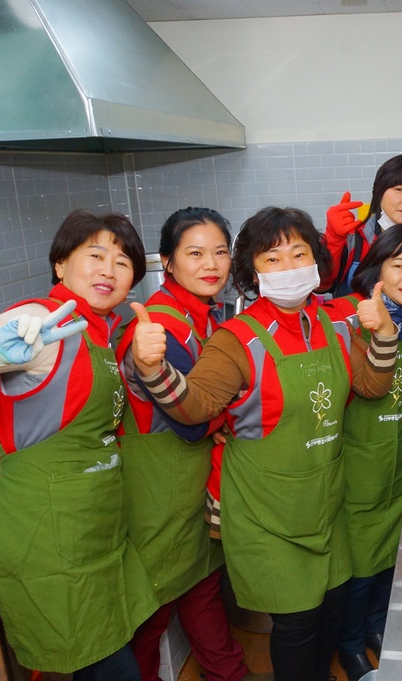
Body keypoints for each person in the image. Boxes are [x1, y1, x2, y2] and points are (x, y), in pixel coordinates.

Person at [129, 207, 399, 681]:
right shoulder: (236, 339)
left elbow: (373, 385)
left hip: (326, 504)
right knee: (298, 621)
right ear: (252, 272)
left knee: (333, 607)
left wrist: (385, 333)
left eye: (299, 254)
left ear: (316, 261)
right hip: (267, 512)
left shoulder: (336, 322)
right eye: (272, 258)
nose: (289, 266)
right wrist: (152, 369)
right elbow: (194, 407)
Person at [0, 210, 155, 680]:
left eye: (123, 262)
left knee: (100, 654)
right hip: (45, 533)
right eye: (96, 256)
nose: (109, 270)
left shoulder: (98, 332)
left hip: (93, 526)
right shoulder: (38, 320)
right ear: (60, 264)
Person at [116, 208, 256, 681]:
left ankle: (229, 674)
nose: (210, 264)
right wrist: (231, 410)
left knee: (201, 585)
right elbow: (191, 424)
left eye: (219, 252)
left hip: (187, 482)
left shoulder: (204, 316)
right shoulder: (161, 326)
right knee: (152, 608)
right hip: (158, 489)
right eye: (194, 253)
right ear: (168, 262)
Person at [323, 225, 402, 681]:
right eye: (398, 265)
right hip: (356, 470)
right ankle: (350, 644)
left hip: (397, 469)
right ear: (377, 270)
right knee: (359, 572)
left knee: (390, 562)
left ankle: (376, 628)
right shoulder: (350, 324)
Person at [321, 153, 402, 324]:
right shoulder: (352, 240)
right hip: (351, 337)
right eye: (399, 189)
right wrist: (332, 239)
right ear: (379, 192)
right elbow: (321, 285)